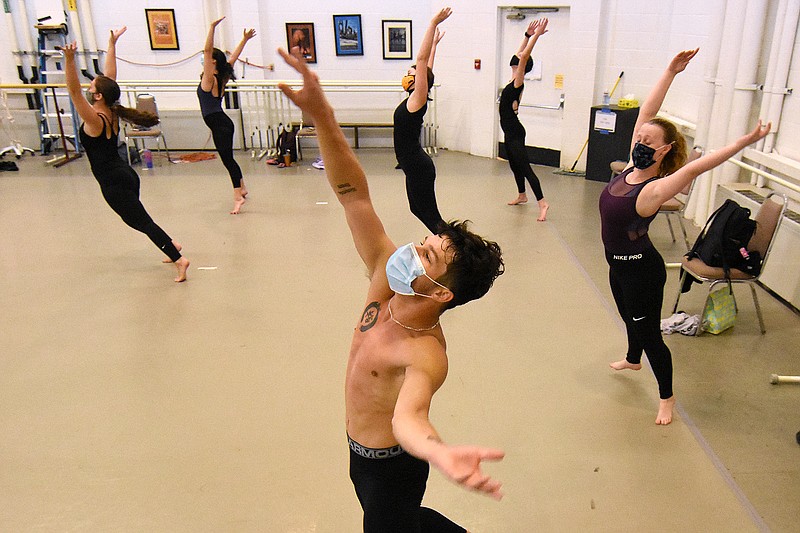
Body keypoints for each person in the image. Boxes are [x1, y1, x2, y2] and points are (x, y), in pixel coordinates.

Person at [277, 41, 506, 532]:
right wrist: (323, 119)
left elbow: (410, 419)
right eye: (424, 241)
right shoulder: (386, 280)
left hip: (391, 465)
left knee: (387, 525)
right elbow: (353, 195)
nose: (409, 250)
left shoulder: (425, 353)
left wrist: (438, 451)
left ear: (442, 292)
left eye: (425, 256)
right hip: (357, 448)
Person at [599, 48, 771, 425]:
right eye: (639, 138)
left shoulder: (655, 189)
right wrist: (670, 71)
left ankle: (667, 397)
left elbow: (700, 166)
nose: (640, 141)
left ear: (663, 151)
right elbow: (647, 111)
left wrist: (745, 141)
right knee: (628, 318)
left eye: (648, 141)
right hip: (617, 264)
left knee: (650, 336)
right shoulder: (630, 167)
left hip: (642, 270)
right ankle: (631, 359)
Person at [61, 28, 189, 282]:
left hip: (113, 181)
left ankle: (179, 260)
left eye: (93, 86)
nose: (89, 87)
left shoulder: (95, 118)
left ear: (98, 96)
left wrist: (68, 60)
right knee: (140, 217)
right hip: (126, 175)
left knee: (140, 222)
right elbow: (110, 77)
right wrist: (111, 44)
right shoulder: (112, 110)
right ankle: (171, 244)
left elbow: (74, 92)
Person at [393, 9, 450, 234]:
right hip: (412, 165)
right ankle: (449, 244)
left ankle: (454, 248)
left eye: (411, 74)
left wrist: (433, 22)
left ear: (419, 81)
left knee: (431, 216)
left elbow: (421, 60)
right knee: (416, 210)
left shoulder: (417, 99)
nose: (407, 77)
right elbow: (426, 66)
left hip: (418, 166)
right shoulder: (415, 98)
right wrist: (435, 44)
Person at [199, 18, 256, 214]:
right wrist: (245, 40)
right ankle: (243, 187)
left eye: (206, 58)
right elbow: (233, 58)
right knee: (229, 158)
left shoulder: (210, 79)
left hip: (219, 124)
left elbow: (207, 51)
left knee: (228, 160)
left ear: (212, 61)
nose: (204, 59)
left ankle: (237, 196)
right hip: (222, 123)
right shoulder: (222, 76)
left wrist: (212, 28)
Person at [499, 18, 550, 221]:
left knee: (525, 168)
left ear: (522, 65)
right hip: (509, 130)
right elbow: (519, 55)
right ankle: (522, 195)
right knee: (514, 165)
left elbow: (524, 55)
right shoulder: (511, 78)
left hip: (515, 132)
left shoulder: (518, 81)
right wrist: (526, 35)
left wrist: (535, 37)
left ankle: (543, 203)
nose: (518, 55)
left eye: (520, 57)